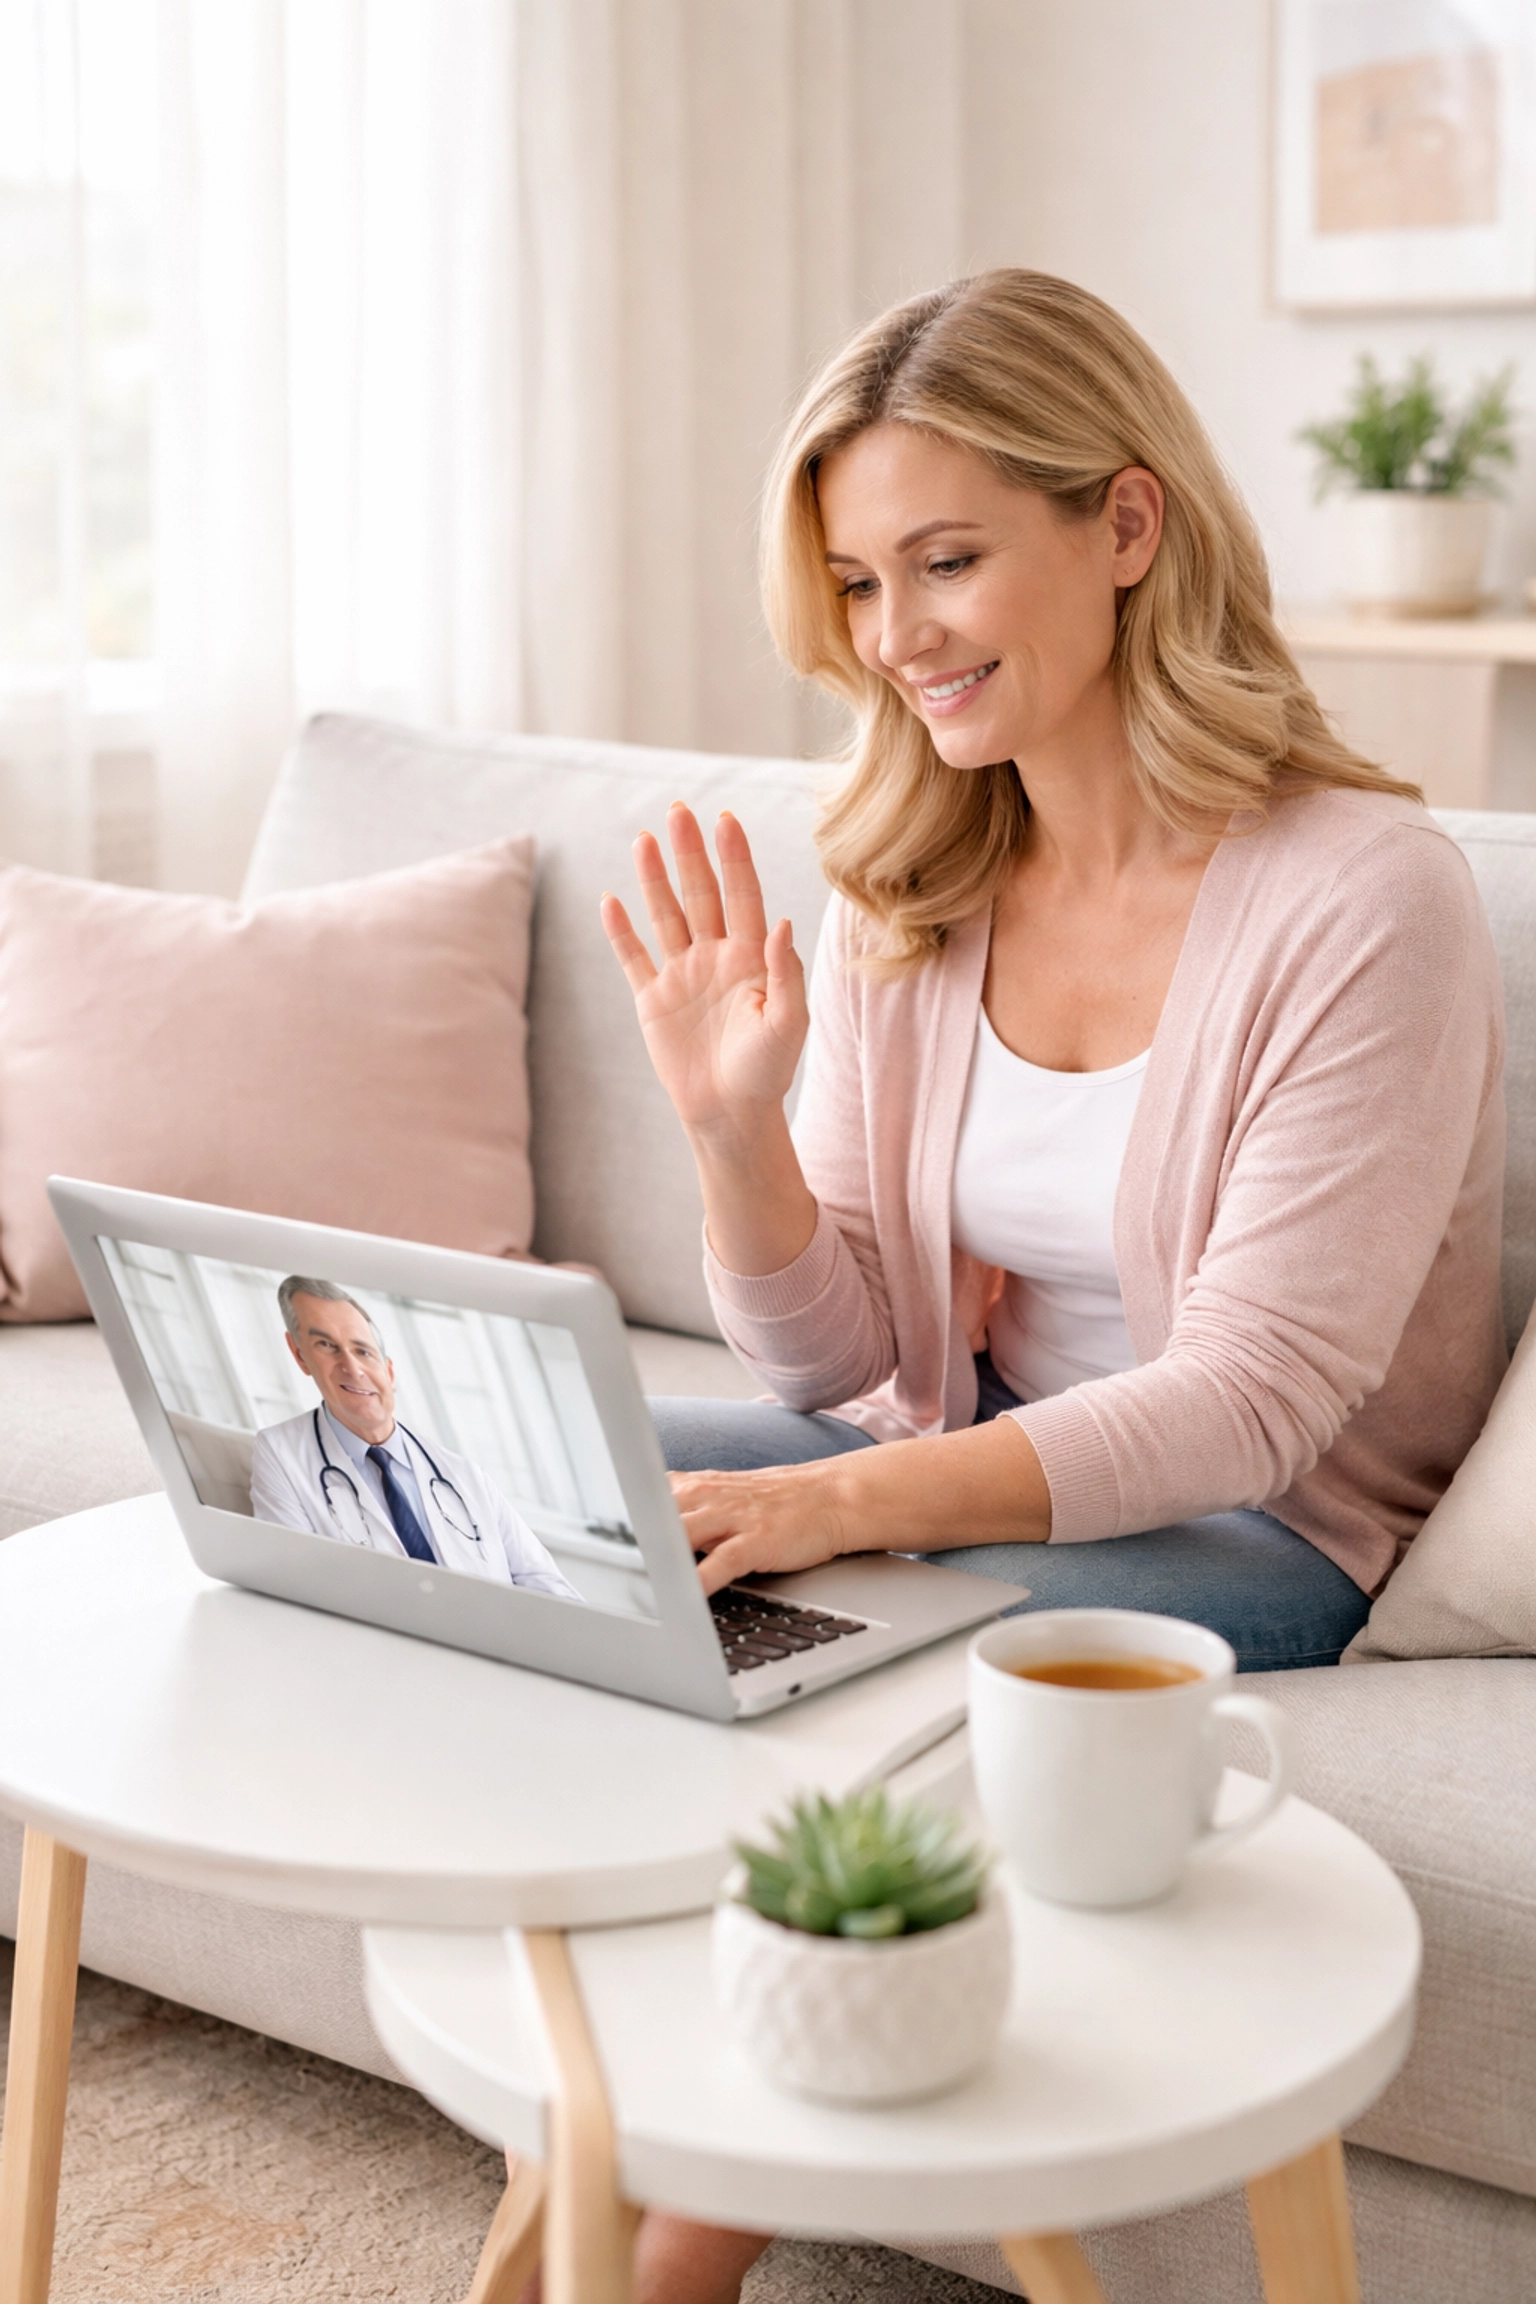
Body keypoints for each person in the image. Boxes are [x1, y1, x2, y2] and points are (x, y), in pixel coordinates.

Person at [574, 269, 1507, 2302]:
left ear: (1126, 528)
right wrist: (736, 1137)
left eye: (947, 559)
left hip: (1269, 1531)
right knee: (560, 1479)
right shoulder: (914, 879)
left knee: (851, 1650)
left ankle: (659, 2266)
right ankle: (583, 2102)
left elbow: (1254, 1399)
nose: (894, 635)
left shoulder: (1368, 899)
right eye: (853, 579)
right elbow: (850, 1364)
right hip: (968, 1452)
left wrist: (834, 1507)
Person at [250, 1276, 580, 1599]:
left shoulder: (465, 1475)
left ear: (390, 1373)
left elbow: (549, 1587)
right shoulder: (279, 1454)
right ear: (299, 1355)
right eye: (327, 1346)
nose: (352, 1368)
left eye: (363, 1352)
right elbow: (294, 1588)